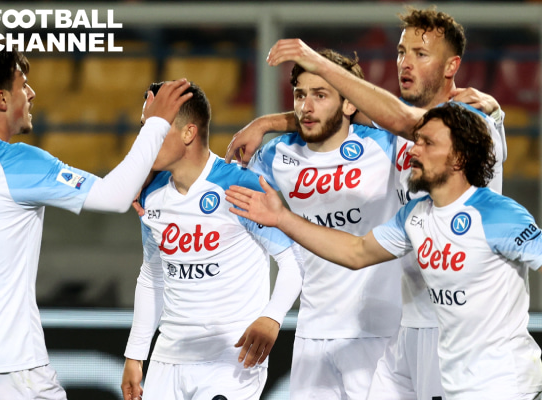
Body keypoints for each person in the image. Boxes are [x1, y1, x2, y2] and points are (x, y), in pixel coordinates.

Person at [226, 7, 507, 399]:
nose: (405, 63)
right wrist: (267, 123)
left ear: (452, 66)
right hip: (410, 324)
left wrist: (316, 61)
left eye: (420, 54)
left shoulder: (470, 121)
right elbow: (337, 113)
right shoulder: (393, 131)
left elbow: (401, 118)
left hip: (461, 324)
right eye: (401, 52)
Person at [226, 102, 542, 400]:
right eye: (416, 140)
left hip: (503, 382)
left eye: (428, 143)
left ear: (458, 158)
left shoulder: (499, 215)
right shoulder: (415, 215)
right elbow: (356, 251)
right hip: (446, 373)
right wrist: (282, 218)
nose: (413, 150)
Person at [0, 39, 192, 400]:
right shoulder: (18, 163)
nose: (31, 93)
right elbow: (114, 196)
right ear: (2, 100)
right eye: (22, 85)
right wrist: (155, 124)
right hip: (3, 367)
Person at [120, 82, 303, 400]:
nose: (143, 140)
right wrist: (135, 355)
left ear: (188, 133)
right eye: (143, 128)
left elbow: (293, 261)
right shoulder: (149, 194)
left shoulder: (239, 186)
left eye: (154, 128)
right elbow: (152, 275)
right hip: (167, 361)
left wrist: (272, 317)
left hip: (231, 360)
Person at [241, 48, 405, 400]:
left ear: (350, 103)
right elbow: (227, 194)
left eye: (320, 95)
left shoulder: (386, 146)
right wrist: (150, 186)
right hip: (312, 330)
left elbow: (403, 118)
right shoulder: (277, 155)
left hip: (378, 332)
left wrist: (266, 121)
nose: (306, 107)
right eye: (300, 95)